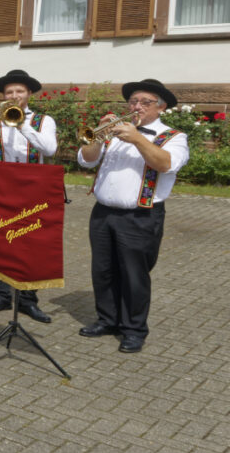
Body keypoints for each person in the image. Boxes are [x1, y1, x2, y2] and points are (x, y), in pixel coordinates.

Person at [76, 79, 188, 353]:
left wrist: (137, 138)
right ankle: (107, 319)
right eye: (133, 102)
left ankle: (134, 329)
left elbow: (165, 164)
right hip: (103, 213)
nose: (136, 107)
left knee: (134, 275)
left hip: (141, 216)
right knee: (103, 271)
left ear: (160, 108)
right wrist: (100, 135)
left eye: (145, 102)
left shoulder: (174, 137)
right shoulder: (115, 133)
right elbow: (86, 159)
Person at [0, 69, 57, 323]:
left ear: (29, 94)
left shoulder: (42, 121)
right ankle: (1, 294)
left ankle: (28, 300)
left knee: (31, 245)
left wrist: (21, 123)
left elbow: (49, 149)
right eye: (9, 92)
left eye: (19, 91)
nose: (14, 96)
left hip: (32, 189)